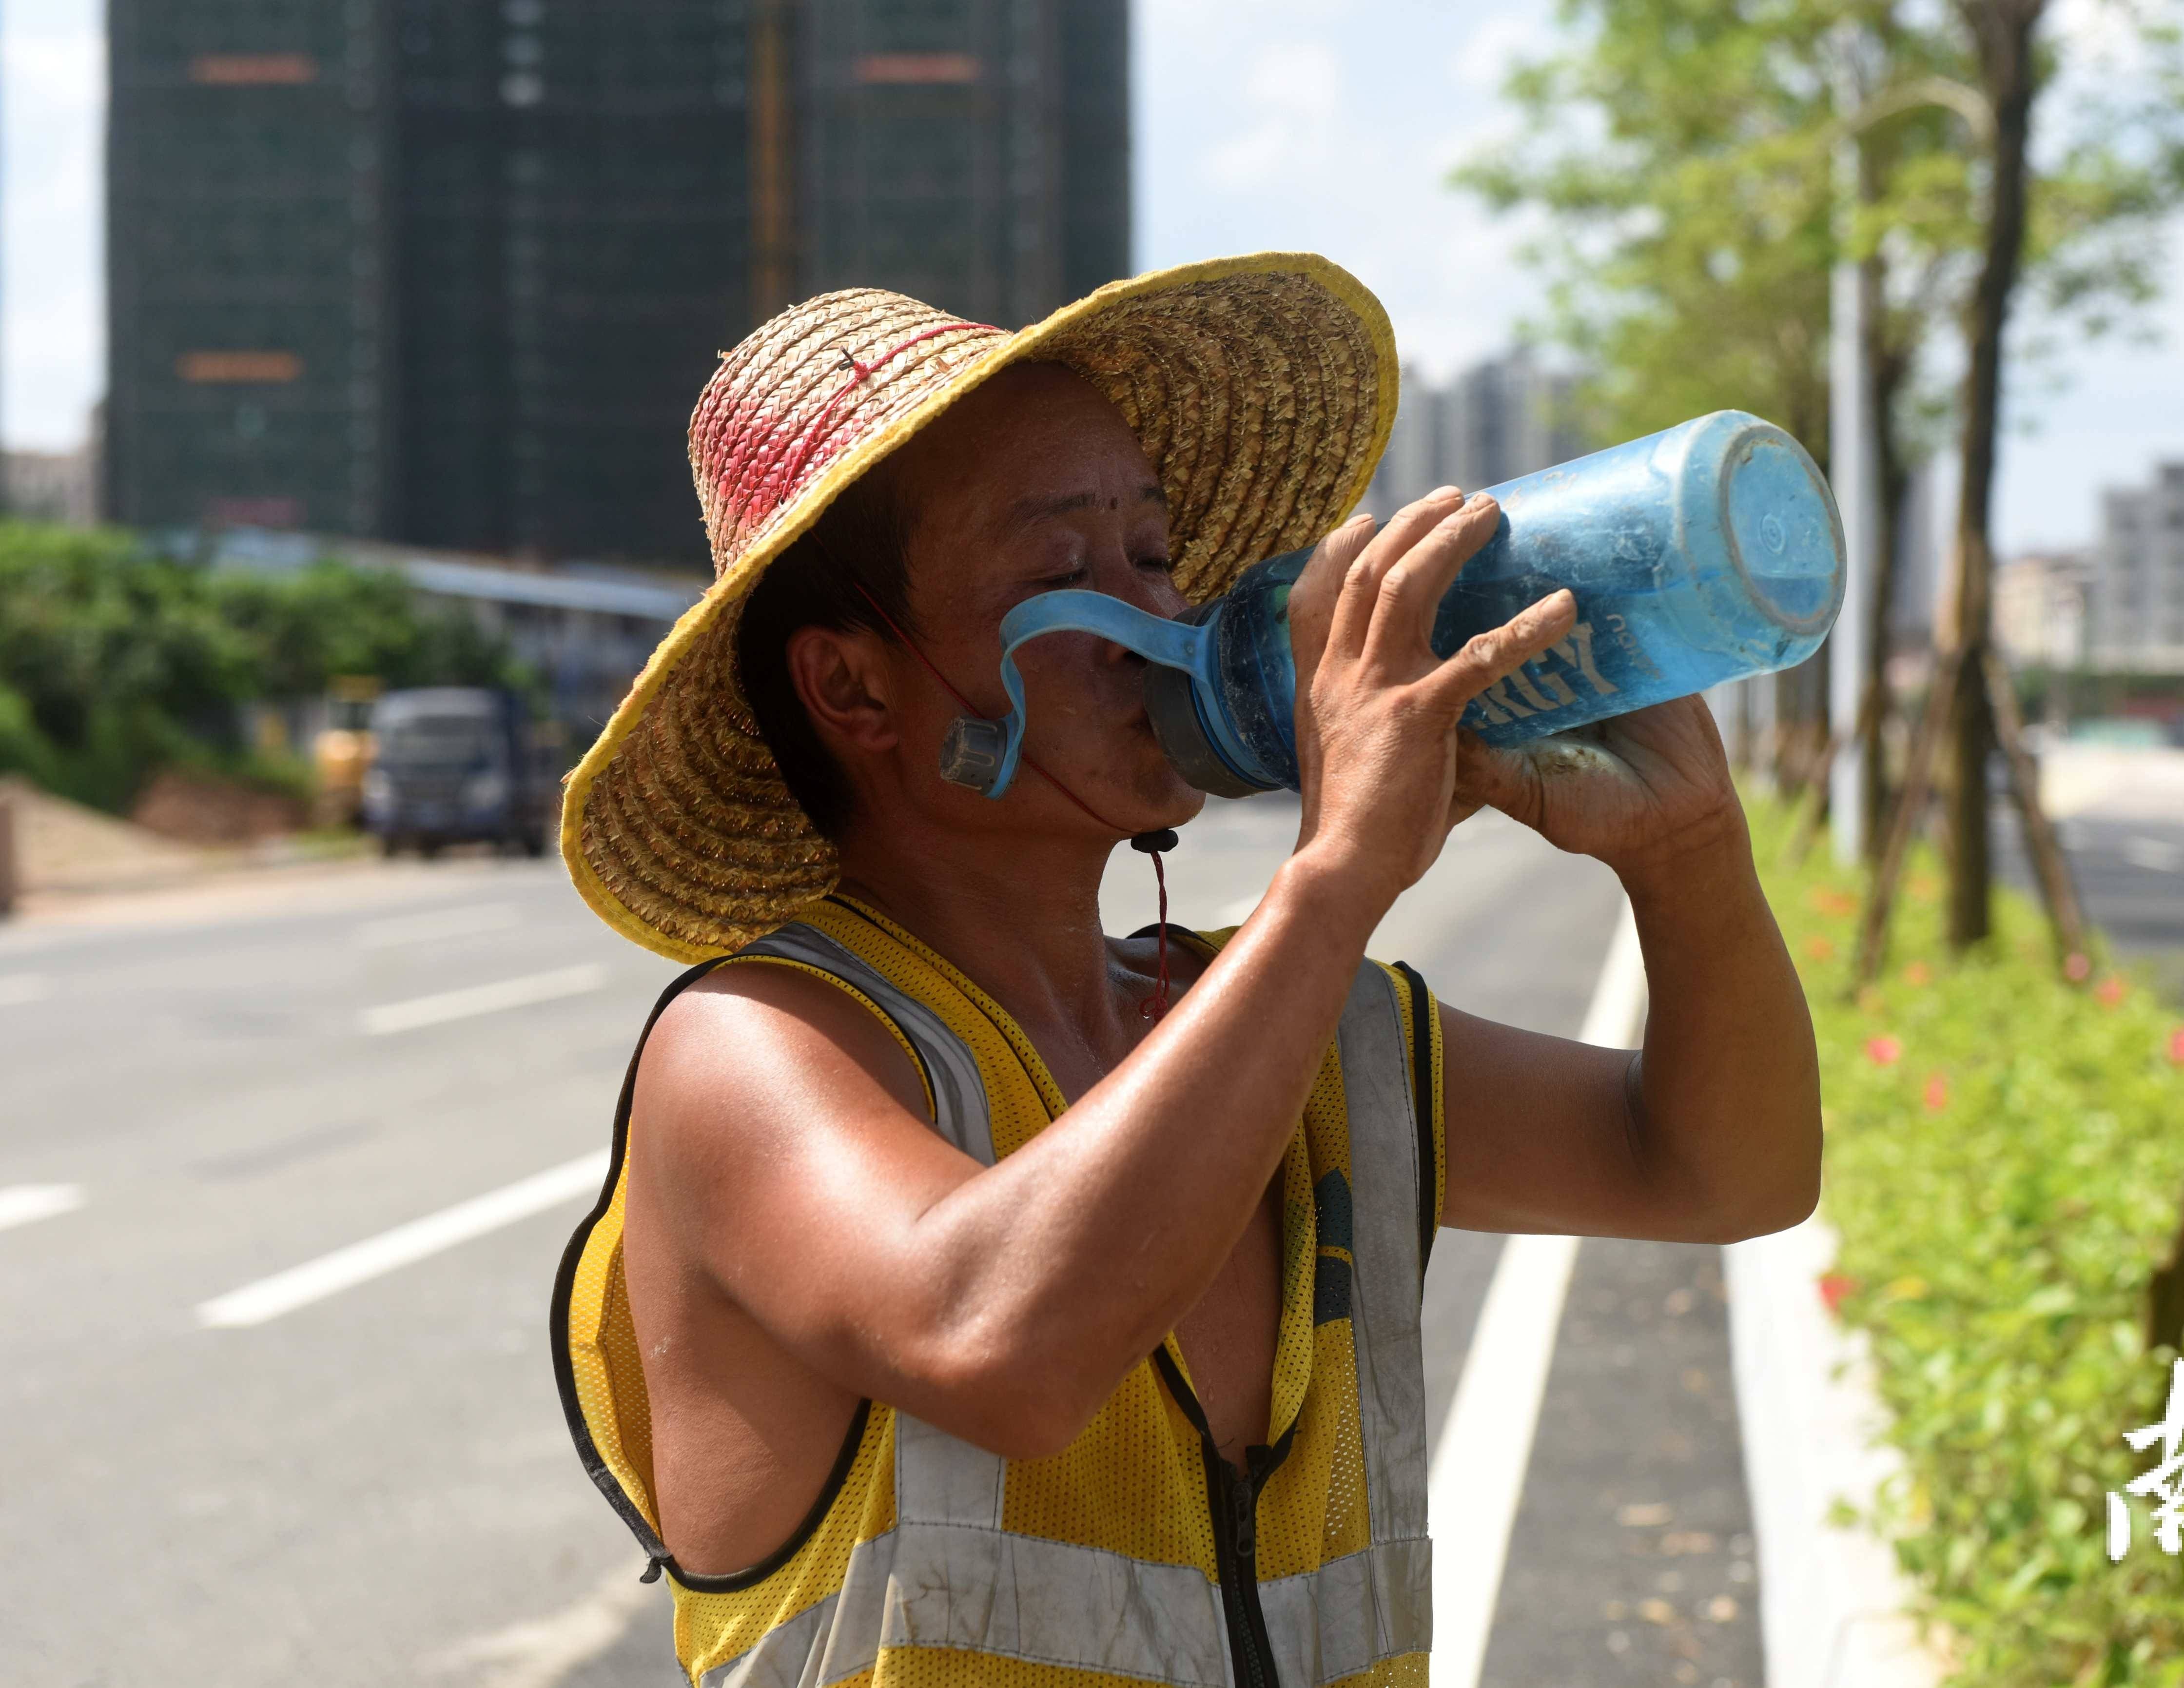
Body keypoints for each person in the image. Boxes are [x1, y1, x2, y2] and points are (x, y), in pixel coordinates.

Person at [551, 255, 1819, 1688]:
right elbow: (998, 1347)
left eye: (1152, 557)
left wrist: (1689, 851)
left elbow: (1728, 1174)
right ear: (855, 689)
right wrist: (1335, 875)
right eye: (1058, 573)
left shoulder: (1309, 1040)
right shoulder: (754, 1050)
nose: (1158, 619)